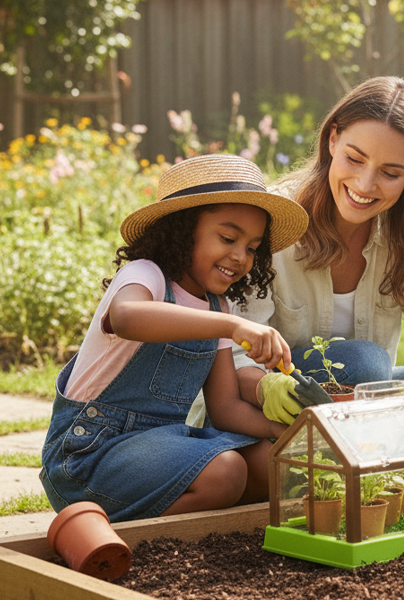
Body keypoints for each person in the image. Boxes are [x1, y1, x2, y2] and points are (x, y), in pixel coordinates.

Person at [230, 76, 404, 445]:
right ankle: (370, 454)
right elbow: (234, 357)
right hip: (276, 403)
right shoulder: (274, 220)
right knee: (366, 363)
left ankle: (371, 459)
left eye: (391, 173)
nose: (364, 184)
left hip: (363, 406)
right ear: (332, 139)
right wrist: (270, 388)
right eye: (354, 158)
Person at [40, 154, 308, 522]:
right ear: (182, 230)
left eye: (251, 247)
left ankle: (186, 528)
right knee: (227, 472)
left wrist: (292, 432)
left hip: (161, 446)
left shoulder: (217, 305)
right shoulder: (145, 276)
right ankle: (98, 531)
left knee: (271, 464)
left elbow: (225, 406)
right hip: (87, 455)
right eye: (228, 238)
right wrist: (229, 327)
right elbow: (127, 318)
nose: (240, 256)